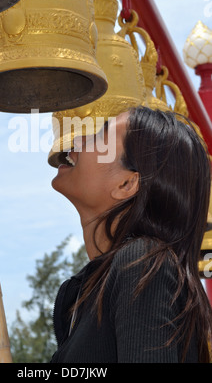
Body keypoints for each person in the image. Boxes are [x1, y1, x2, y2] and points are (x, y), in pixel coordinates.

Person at [50, 106, 212, 363]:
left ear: (126, 184)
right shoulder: (81, 292)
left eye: (99, 138)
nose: (78, 140)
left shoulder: (144, 264)